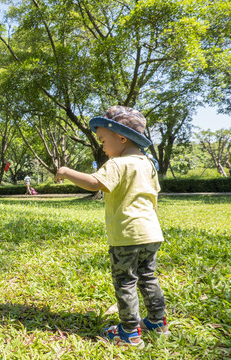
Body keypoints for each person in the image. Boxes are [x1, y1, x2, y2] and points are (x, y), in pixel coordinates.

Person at [55, 106, 169, 348]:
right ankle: (158, 323)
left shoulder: (117, 163)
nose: (102, 147)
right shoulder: (148, 164)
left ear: (121, 137)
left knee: (125, 282)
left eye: (103, 140)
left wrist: (66, 171)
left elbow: (95, 183)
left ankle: (129, 333)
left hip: (127, 236)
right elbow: (153, 199)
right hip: (151, 233)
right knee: (148, 278)